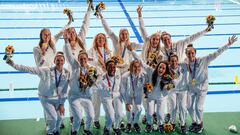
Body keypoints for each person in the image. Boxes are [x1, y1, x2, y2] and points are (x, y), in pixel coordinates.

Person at [6, 52, 70, 135]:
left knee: (60, 117)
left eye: (61, 60)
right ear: (54, 61)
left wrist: (62, 104)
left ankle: (56, 130)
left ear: (64, 62)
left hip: (57, 98)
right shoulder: (46, 70)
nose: (60, 62)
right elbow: (30, 69)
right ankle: (50, 132)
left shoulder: (66, 73)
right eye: (58, 60)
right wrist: (14, 65)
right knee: (53, 118)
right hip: (45, 98)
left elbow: (65, 90)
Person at [186, 35, 238, 133]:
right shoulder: (185, 63)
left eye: (192, 53)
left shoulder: (204, 60)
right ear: (186, 55)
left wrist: (228, 44)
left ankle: (200, 125)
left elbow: (217, 53)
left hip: (202, 88)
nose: (191, 55)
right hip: (192, 88)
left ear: (195, 53)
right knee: (188, 106)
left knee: (198, 108)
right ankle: (195, 122)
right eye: (188, 54)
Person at [129, 48, 174, 133]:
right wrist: (132, 51)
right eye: (160, 67)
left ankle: (160, 125)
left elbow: (166, 92)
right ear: (157, 67)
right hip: (151, 97)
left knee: (160, 113)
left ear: (166, 70)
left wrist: (168, 87)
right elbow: (140, 61)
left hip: (161, 98)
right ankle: (149, 124)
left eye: (163, 68)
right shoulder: (151, 71)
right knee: (149, 113)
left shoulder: (167, 79)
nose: (161, 69)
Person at [63, 3, 92, 125]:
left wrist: (89, 9)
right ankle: (73, 116)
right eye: (70, 32)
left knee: (85, 93)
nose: (73, 33)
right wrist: (68, 21)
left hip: (85, 71)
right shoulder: (66, 46)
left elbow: (85, 24)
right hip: (73, 73)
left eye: (74, 32)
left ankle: (83, 116)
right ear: (68, 35)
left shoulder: (81, 41)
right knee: (74, 94)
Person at [63, 30, 97, 135]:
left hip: (86, 96)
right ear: (78, 59)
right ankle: (74, 131)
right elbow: (68, 55)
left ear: (87, 59)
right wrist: (66, 41)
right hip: (74, 96)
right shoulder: (75, 66)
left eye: (84, 58)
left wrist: (92, 82)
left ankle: (87, 130)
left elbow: (96, 83)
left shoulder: (92, 69)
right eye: (80, 59)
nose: (82, 60)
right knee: (77, 117)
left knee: (91, 116)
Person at [92, 59, 123, 135]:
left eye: (114, 67)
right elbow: (94, 88)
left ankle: (116, 127)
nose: (112, 69)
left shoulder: (118, 72)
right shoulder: (101, 78)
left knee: (119, 114)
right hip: (106, 97)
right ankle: (107, 128)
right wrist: (91, 82)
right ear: (106, 68)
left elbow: (126, 66)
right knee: (110, 116)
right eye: (110, 67)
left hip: (116, 95)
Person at [87, 33, 111, 129]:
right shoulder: (91, 51)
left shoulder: (108, 52)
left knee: (107, 102)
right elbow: (88, 63)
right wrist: (98, 61)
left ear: (105, 41)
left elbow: (110, 65)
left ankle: (109, 119)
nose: (101, 40)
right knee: (95, 102)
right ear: (96, 40)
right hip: (96, 81)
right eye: (99, 38)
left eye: (103, 38)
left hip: (106, 80)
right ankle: (95, 120)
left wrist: (104, 65)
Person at [121, 59, 148, 133]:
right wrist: (126, 102)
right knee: (129, 109)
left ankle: (135, 122)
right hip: (128, 95)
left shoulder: (143, 75)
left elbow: (147, 85)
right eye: (134, 67)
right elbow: (122, 90)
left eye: (138, 67)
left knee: (139, 109)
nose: (137, 68)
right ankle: (129, 124)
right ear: (131, 67)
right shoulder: (125, 76)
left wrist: (146, 91)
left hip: (138, 95)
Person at [167, 53, 189, 134]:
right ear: (169, 62)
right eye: (172, 61)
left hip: (183, 90)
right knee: (173, 107)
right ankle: (172, 123)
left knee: (183, 107)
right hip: (172, 90)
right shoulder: (166, 70)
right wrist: (171, 85)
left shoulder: (183, 66)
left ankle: (182, 124)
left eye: (176, 61)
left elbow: (192, 62)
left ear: (178, 61)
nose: (174, 63)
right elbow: (166, 85)